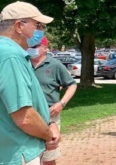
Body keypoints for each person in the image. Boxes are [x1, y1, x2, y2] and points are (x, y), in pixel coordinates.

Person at [0, 1, 60, 165]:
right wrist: (49, 134)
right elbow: (24, 117)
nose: (41, 30)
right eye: (38, 25)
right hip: (16, 152)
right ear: (19, 26)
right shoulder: (11, 55)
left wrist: (49, 122)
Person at [30, 36, 77, 165]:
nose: (31, 49)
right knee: (30, 155)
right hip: (28, 115)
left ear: (45, 48)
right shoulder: (24, 64)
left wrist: (61, 103)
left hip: (49, 116)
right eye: (30, 46)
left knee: (48, 156)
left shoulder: (55, 65)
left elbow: (72, 85)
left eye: (35, 46)